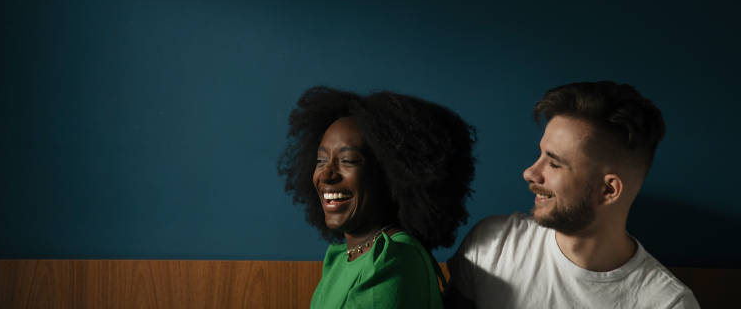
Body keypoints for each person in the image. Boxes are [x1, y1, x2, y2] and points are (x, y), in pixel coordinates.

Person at [446, 81, 700, 308]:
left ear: (608, 190)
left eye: (554, 164)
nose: (529, 173)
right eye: (540, 154)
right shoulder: (493, 246)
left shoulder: (667, 303)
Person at [278, 86, 476, 308]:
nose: (326, 174)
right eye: (321, 161)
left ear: (393, 176)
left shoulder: (393, 260)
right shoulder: (341, 257)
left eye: (348, 160)